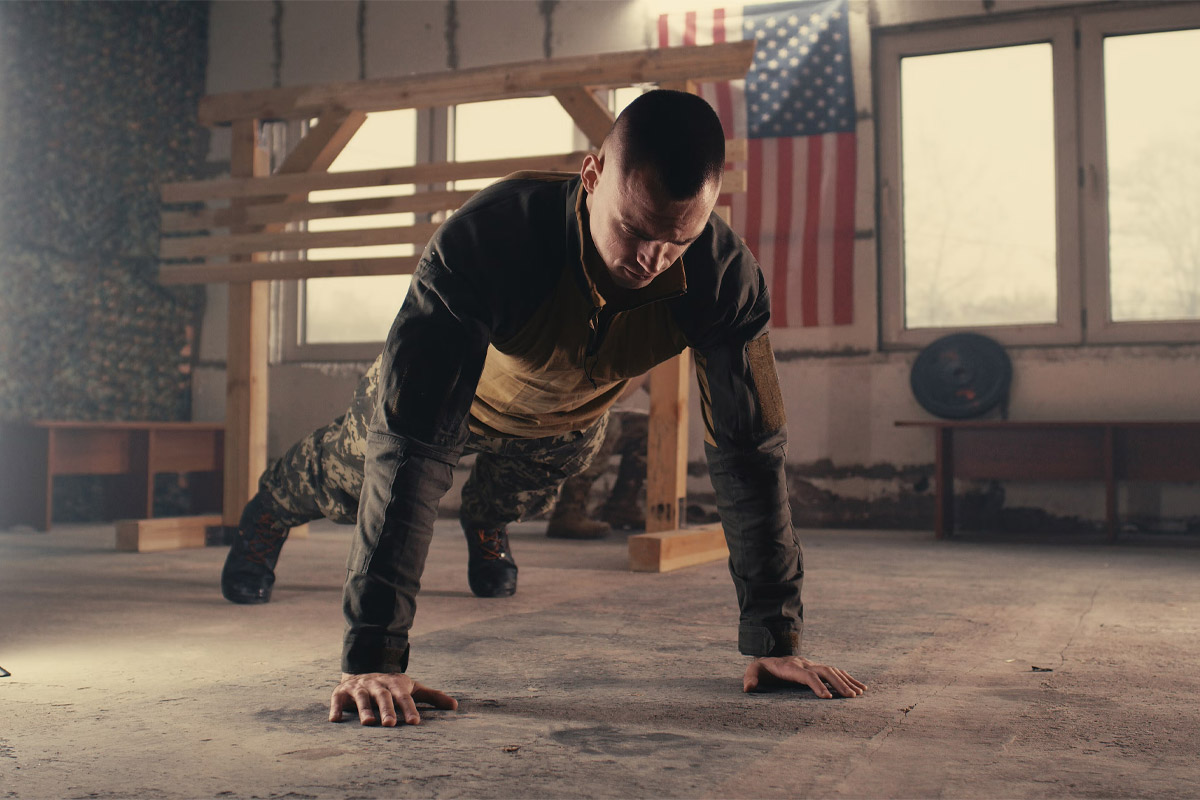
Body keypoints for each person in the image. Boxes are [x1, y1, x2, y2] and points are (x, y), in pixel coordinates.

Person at [221, 90, 866, 727]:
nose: (650, 260)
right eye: (634, 231)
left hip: (566, 421)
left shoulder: (727, 279)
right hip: (455, 397)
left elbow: (750, 452)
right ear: (592, 176)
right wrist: (374, 653)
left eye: (675, 241)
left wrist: (776, 639)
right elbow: (412, 447)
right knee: (350, 479)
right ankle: (269, 511)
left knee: (536, 481)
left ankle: (487, 521)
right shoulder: (487, 239)